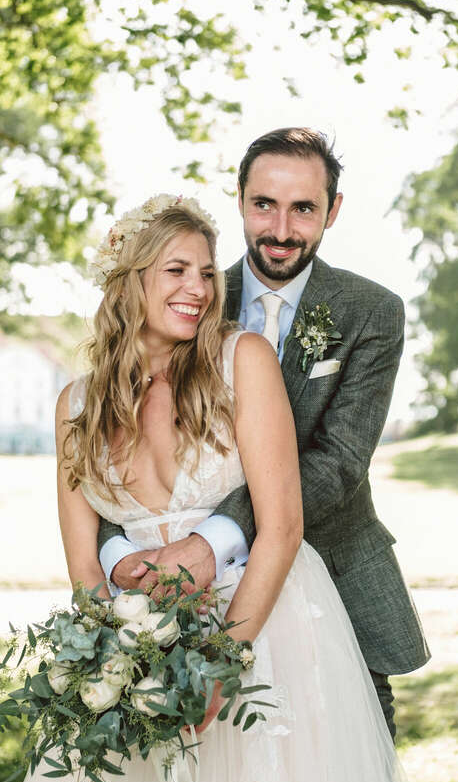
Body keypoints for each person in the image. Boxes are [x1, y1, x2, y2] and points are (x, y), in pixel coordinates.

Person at [0, 195, 438, 782]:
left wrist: (222, 662)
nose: (199, 289)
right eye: (176, 271)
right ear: (129, 280)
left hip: (265, 625)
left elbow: (282, 526)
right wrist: (123, 665)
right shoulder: (75, 405)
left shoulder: (242, 361)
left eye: (207, 273)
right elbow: (84, 569)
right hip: (142, 638)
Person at [98, 128, 430, 738]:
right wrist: (121, 557)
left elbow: (338, 461)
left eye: (303, 208)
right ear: (241, 199)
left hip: (333, 571)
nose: (280, 229)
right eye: (264, 205)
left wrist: (213, 539)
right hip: (189, 596)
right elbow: (115, 448)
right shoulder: (187, 299)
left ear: (332, 210)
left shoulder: (372, 312)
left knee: (356, 755)